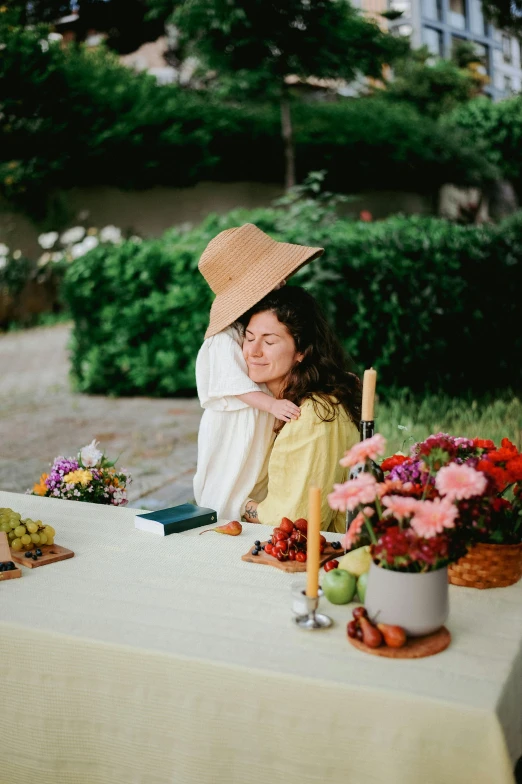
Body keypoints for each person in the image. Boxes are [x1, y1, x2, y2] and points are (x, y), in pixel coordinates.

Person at [193, 223, 324, 520]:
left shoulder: (252, 325)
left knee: (257, 476)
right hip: (236, 423)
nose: (282, 282)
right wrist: (272, 405)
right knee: (229, 478)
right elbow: (235, 385)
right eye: (274, 279)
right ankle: (221, 520)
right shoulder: (222, 339)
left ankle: (250, 516)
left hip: (258, 420)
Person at [240, 287, 361, 533]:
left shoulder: (313, 415)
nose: (253, 351)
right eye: (249, 338)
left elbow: (293, 521)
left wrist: (239, 504)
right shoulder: (309, 402)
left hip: (321, 559)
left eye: (269, 341)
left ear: (301, 352)